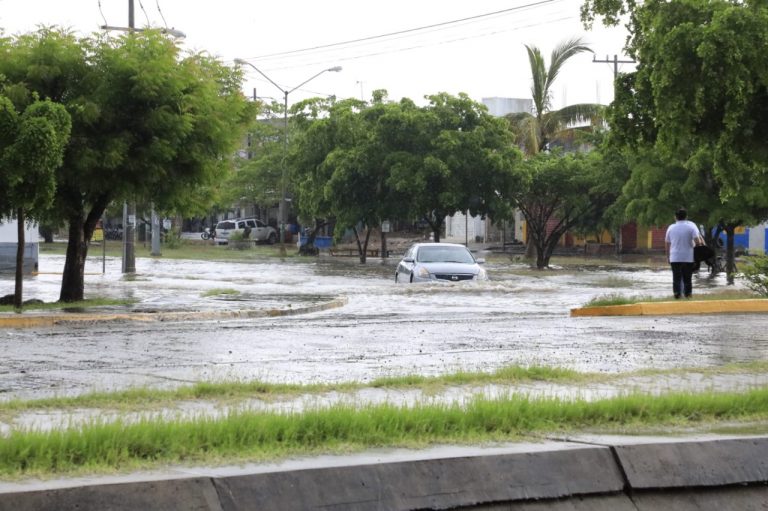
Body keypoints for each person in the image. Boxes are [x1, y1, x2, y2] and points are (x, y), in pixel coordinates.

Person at [665, 208, 704, 299]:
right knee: (687, 278)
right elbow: (698, 242)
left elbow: (667, 243)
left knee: (676, 278)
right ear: (686, 217)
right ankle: (688, 295)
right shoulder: (691, 227)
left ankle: (677, 294)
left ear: (675, 217)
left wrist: (668, 257)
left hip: (674, 257)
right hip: (688, 257)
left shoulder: (671, 227)